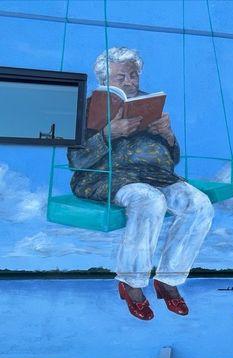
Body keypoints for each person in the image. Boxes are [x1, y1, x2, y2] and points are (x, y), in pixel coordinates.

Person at [68, 47, 214, 320]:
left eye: (133, 76)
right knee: (149, 201)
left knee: (199, 204)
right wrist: (107, 135)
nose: (129, 82)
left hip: (156, 174)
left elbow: (173, 157)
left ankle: (169, 279)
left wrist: (168, 136)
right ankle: (132, 284)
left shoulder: (149, 103)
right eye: (121, 76)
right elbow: (76, 159)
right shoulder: (88, 107)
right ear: (104, 80)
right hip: (107, 176)